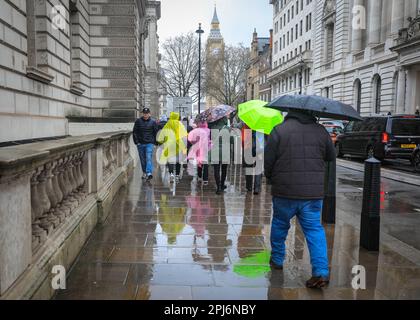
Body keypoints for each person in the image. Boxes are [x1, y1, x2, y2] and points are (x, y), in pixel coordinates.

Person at [264, 110, 335, 289]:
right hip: (312, 193)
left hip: (284, 191)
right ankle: (320, 272)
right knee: (314, 230)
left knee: (280, 224)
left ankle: (278, 259)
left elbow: (269, 160)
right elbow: (331, 156)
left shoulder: (278, 130)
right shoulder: (321, 131)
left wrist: (270, 177)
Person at [157, 112, 188, 183]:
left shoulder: (167, 124)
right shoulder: (180, 124)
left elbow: (162, 135)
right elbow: (184, 136)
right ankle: (177, 175)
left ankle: (171, 174)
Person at [133, 107, 158, 181]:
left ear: (149, 114)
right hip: (140, 143)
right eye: (144, 113)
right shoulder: (138, 121)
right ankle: (144, 172)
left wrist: (155, 143)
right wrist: (136, 142)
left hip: (149, 143)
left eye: (147, 113)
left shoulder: (153, 122)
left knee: (148, 158)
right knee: (142, 159)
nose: (145, 115)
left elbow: (155, 132)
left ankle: (149, 173)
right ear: (142, 113)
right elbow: (135, 132)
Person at [209, 117, 230, 195]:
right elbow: (231, 140)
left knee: (216, 169)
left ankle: (218, 188)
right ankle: (222, 184)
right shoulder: (227, 128)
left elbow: (211, 138)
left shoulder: (213, 128)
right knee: (224, 169)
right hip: (225, 151)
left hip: (215, 150)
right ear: (224, 120)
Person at [188, 115, 211, 185]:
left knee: (199, 162)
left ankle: (200, 176)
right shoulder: (208, 130)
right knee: (205, 163)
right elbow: (210, 139)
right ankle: (205, 179)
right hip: (206, 148)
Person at [241, 123, 263, 195]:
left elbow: (243, 138)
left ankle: (249, 186)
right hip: (260, 147)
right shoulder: (264, 123)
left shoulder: (247, 122)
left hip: (248, 146)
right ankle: (256, 187)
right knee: (258, 167)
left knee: (248, 167)